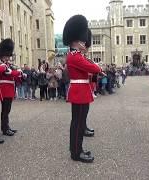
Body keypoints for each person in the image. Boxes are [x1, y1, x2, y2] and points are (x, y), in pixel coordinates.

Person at [63, 15, 102, 163]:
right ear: (76, 41)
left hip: (81, 91)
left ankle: (77, 150)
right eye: (82, 41)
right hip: (79, 92)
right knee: (78, 124)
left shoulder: (78, 55)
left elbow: (89, 70)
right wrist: (97, 66)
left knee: (79, 122)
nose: (84, 43)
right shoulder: (75, 56)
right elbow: (93, 68)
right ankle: (76, 152)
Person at [0, 39, 22, 136]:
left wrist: (17, 73)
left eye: (8, 56)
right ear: (2, 56)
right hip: (5, 89)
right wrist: (16, 72)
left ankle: (7, 127)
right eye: (6, 56)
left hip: (10, 89)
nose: (7, 58)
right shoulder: (1, 65)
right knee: (5, 110)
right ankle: (5, 128)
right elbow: (10, 74)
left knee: (7, 110)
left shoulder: (7, 65)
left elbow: (15, 75)